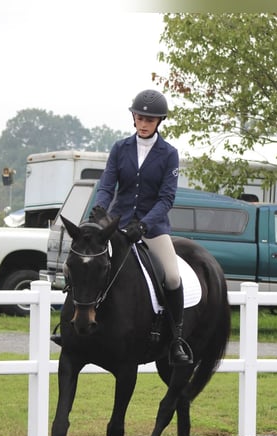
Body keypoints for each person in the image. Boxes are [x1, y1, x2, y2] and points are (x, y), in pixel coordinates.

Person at [90, 88, 193, 365]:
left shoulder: (169, 154)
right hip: (118, 224)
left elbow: (166, 197)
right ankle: (77, 327)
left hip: (153, 228)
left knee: (172, 276)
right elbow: (107, 185)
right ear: (133, 118)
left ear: (159, 122)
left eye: (150, 119)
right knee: (88, 263)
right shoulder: (119, 148)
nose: (144, 123)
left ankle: (176, 340)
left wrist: (145, 225)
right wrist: (101, 211)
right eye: (140, 118)